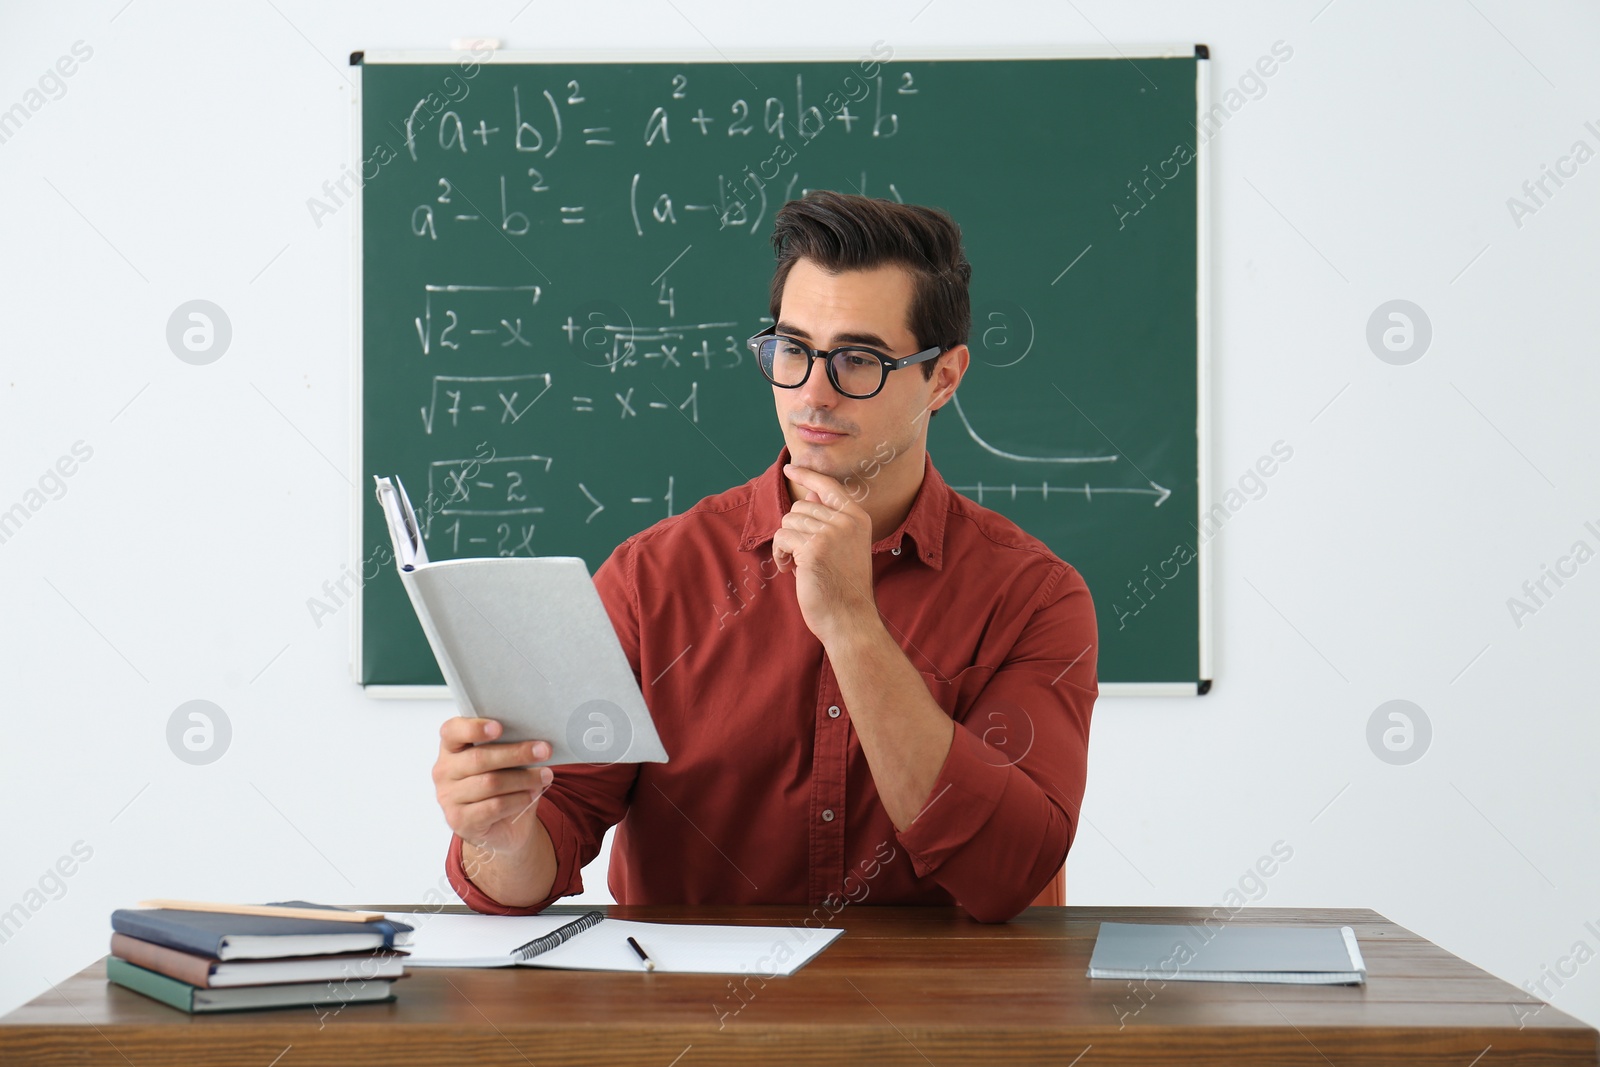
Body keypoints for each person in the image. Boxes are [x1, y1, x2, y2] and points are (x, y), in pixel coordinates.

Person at [432, 191, 1097, 924]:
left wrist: (852, 624)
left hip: (931, 1028)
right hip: (693, 1028)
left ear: (943, 377)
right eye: (793, 349)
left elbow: (1007, 869)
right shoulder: (650, 579)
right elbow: (545, 847)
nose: (813, 392)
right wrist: (500, 832)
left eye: (858, 359)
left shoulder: (1035, 597)